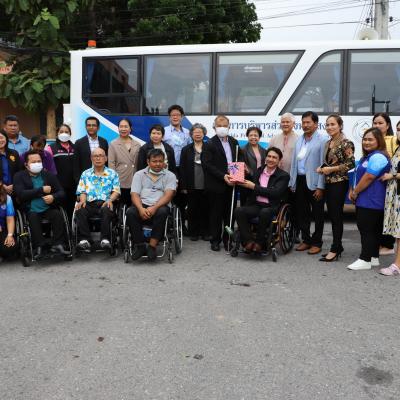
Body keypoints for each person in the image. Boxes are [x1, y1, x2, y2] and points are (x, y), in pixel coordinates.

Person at [347, 128, 390, 270]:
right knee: (373, 229)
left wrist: (355, 192)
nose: (366, 142)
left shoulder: (378, 157)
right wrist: (352, 189)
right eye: (365, 139)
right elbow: (358, 175)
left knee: (366, 229)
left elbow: (369, 176)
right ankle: (373, 257)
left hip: (372, 199)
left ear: (379, 141)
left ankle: (364, 259)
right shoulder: (368, 157)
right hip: (366, 199)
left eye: (370, 139)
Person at [14, 150, 69, 258]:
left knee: (57, 214)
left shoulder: (48, 175)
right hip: (31, 209)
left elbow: (62, 192)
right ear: (26, 164)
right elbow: (20, 194)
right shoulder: (19, 176)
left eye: (39, 161)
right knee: (33, 217)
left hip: (48, 208)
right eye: (33, 162)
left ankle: (58, 244)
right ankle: (39, 246)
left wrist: (53, 197)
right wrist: (41, 190)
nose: (37, 164)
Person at [235, 147, 290, 254]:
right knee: (239, 211)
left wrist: (254, 187)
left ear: (279, 160)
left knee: (264, 212)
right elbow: (250, 187)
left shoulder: (283, 176)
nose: (271, 159)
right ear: (266, 157)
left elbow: (275, 193)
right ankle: (248, 241)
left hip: (271, 206)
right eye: (269, 156)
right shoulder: (258, 171)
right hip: (256, 204)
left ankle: (260, 243)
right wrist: (244, 175)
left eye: (274, 157)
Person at [125, 149, 176, 261]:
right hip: (142, 204)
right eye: (154, 161)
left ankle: (152, 246)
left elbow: (168, 195)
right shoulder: (139, 174)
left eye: (160, 161)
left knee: (162, 212)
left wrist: (154, 207)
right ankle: (140, 246)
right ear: (148, 162)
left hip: (160, 205)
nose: (158, 164)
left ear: (164, 162)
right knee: (130, 212)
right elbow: (134, 194)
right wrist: (140, 209)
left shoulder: (170, 175)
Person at [289, 111, 328, 255]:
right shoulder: (299, 139)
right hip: (300, 180)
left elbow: (323, 164)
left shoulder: (322, 140)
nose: (305, 125)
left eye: (308, 122)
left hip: (315, 182)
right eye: (303, 122)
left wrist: (321, 187)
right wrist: (292, 182)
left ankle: (317, 242)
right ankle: (306, 240)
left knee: (318, 214)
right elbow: (294, 162)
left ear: (316, 124)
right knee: (302, 212)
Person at [317, 114, 355, 262]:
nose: (329, 127)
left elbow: (351, 164)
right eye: (327, 124)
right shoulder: (328, 143)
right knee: (333, 216)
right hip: (329, 182)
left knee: (336, 216)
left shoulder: (346, 143)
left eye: (333, 124)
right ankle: (337, 246)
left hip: (339, 183)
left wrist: (331, 169)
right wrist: (322, 168)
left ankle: (335, 248)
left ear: (340, 126)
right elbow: (330, 163)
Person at [202, 114, 242, 251]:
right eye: (219, 125)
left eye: (225, 125)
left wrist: (236, 177)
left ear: (229, 127)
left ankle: (227, 239)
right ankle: (215, 240)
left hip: (232, 185)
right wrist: (223, 176)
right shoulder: (209, 143)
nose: (222, 128)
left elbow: (238, 160)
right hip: (216, 185)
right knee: (215, 214)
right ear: (214, 127)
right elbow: (207, 165)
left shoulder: (234, 142)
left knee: (229, 215)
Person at [75, 148, 120, 251]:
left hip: (105, 203)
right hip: (89, 203)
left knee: (106, 209)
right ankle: (85, 240)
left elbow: (116, 191)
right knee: (80, 209)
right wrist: (82, 201)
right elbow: (82, 191)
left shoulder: (112, 173)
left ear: (106, 158)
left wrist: (110, 200)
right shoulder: (85, 174)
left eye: (101, 156)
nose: (98, 158)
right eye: (95, 156)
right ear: (91, 158)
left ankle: (105, 239)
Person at [164, 105, 191, 234]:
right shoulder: (164, 132)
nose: (175, 117)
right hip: (169, 168)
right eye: (172, 115)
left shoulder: (187, 132)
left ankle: (181, 224)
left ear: (182, 117)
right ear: (169, 117)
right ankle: (169, 224)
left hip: (183, 168)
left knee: (183, 197)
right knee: (169, 196)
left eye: (178, 115)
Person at [372, 112, 396, 256]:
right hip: (375, 183)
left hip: (390, 182)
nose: (377, 125)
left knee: (388, 213)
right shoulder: (371, 140)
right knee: (378, 214)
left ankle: (388, 245)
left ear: (387, 125)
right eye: (375, 123)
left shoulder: (393, 140)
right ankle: (379, 243)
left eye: (380, 123)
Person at [180, 123, 209, 241]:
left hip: (206, 183)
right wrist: (183, 186)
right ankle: (193, 232)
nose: (197, 134)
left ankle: (205, 232)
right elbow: (182, 168)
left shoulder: (209, 148)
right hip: (191, 183)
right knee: (192, 209)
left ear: (204, 134)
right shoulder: (186, 149)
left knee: (205, 208)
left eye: (200, 132)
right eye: (195, 132)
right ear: (191, 134)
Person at [379, 123, 400, 275]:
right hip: (395, 193)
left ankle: (397, 266)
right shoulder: (398, 148)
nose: (399, 132)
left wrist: (391, 176)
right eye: (398, 129)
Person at [46, 124, 76, 222]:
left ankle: (71, 228)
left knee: (72, 209)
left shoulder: (75, 147)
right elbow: (48, 168)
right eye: (61, 132)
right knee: (60, 210)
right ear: (57, 134)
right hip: (58, 185)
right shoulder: (51, 148)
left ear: (70, 134)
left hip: (73, 185)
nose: (64, 134)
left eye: (66, 132)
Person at [108, 119, 141, 206]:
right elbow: (111, 164)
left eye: (126, 126)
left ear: (130, 128)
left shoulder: (137, 144)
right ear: (118, 128)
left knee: (133, 206)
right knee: (120, 206)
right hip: (120, 179)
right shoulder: (113, 144)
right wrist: (113, 182)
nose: (123, 129)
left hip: (134, 179)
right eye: (121, 126)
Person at [73, 116, 108, 184]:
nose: (91, 127)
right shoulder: (79, 143)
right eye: (89, 125)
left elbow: (106, 161)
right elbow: (76, 165)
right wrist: (78, 181)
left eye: (93, 125)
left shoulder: (104, 142)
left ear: (98, 127)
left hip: (102, 179)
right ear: (86, 127)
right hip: (85, 180)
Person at [240, 126, 266, 206]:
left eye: (256, 135)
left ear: (259, 137)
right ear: (247, 136)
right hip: (247, 181)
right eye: (251, 135)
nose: (253, 137)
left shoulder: (264, 150)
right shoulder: (242, 149)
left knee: (257, 204)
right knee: (246, 205)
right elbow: (242, 165)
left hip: (260, 181)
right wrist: (253, 174)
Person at [0, 130, 22, 197]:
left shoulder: (14, 153)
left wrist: (14, 185)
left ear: (6, 139)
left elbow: (20, 171)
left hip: (14, 188)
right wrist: (3, 186)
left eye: (1, 138)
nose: (0, 140)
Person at [0, 181, 16, 261]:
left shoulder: (7, 198)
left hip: (2, 229)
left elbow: (10, 219)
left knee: (9, 247)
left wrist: (10, 235)